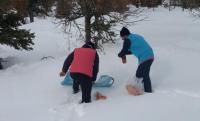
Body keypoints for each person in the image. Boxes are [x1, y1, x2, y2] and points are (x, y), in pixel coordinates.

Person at [118, 27, 154, 93]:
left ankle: (148, 92)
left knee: (143, 74)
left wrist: (120, 55)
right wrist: (124, 53)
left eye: (122, 37)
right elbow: (133, 50)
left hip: (146, 57)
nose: (122, 39)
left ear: (124, 35)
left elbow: (124, 50)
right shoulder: (135, 37)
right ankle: (143, 88)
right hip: (149, 55)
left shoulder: (127, 40)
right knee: (140, 74)